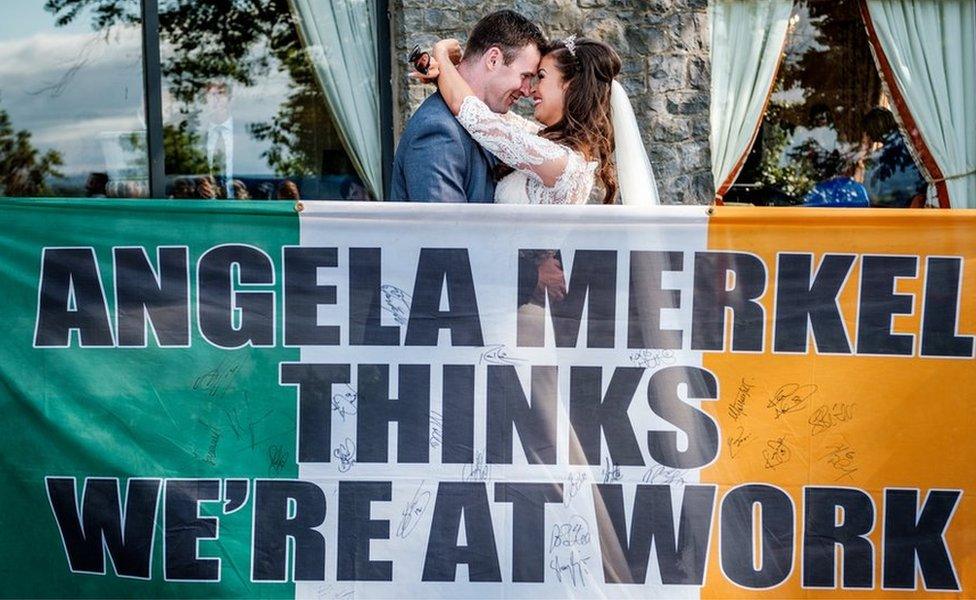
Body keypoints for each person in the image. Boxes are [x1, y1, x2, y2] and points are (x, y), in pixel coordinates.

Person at [421, 33, 659, 206]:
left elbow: (474, 115)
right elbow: (485, 110)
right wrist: (442, 75)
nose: (531, 90)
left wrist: (441, 53)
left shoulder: (562, 163)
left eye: (541, 77)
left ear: (570, 85)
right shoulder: (550, 147)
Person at [390, 10, 546, 204]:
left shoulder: (487, 122)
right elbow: (445, 231)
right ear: (493, 59)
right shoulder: (438, 131)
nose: (526, 91)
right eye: (525, 76)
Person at [860, 107, 927, 207]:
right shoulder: (910, 143)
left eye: (868, 130)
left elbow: (870, 196)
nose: (867, 134)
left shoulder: (886, 155)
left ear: (875, 128)